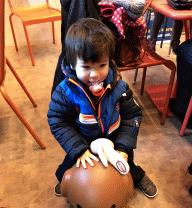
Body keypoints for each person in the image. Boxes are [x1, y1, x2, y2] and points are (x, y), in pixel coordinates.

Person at [47, 18, 158, 198]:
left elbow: (133, 115)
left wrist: (123, 146)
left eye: (102, 65)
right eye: (86, 67)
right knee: (68, 165)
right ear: (72, 64)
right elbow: (57, 121)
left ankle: (138, 177)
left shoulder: (119, 87)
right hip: (84, 140)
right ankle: (66, 179)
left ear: (110, 60)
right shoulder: (65, 93)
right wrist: (78, 148)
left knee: (126, 165)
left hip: (115, 140)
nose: (95, 74)